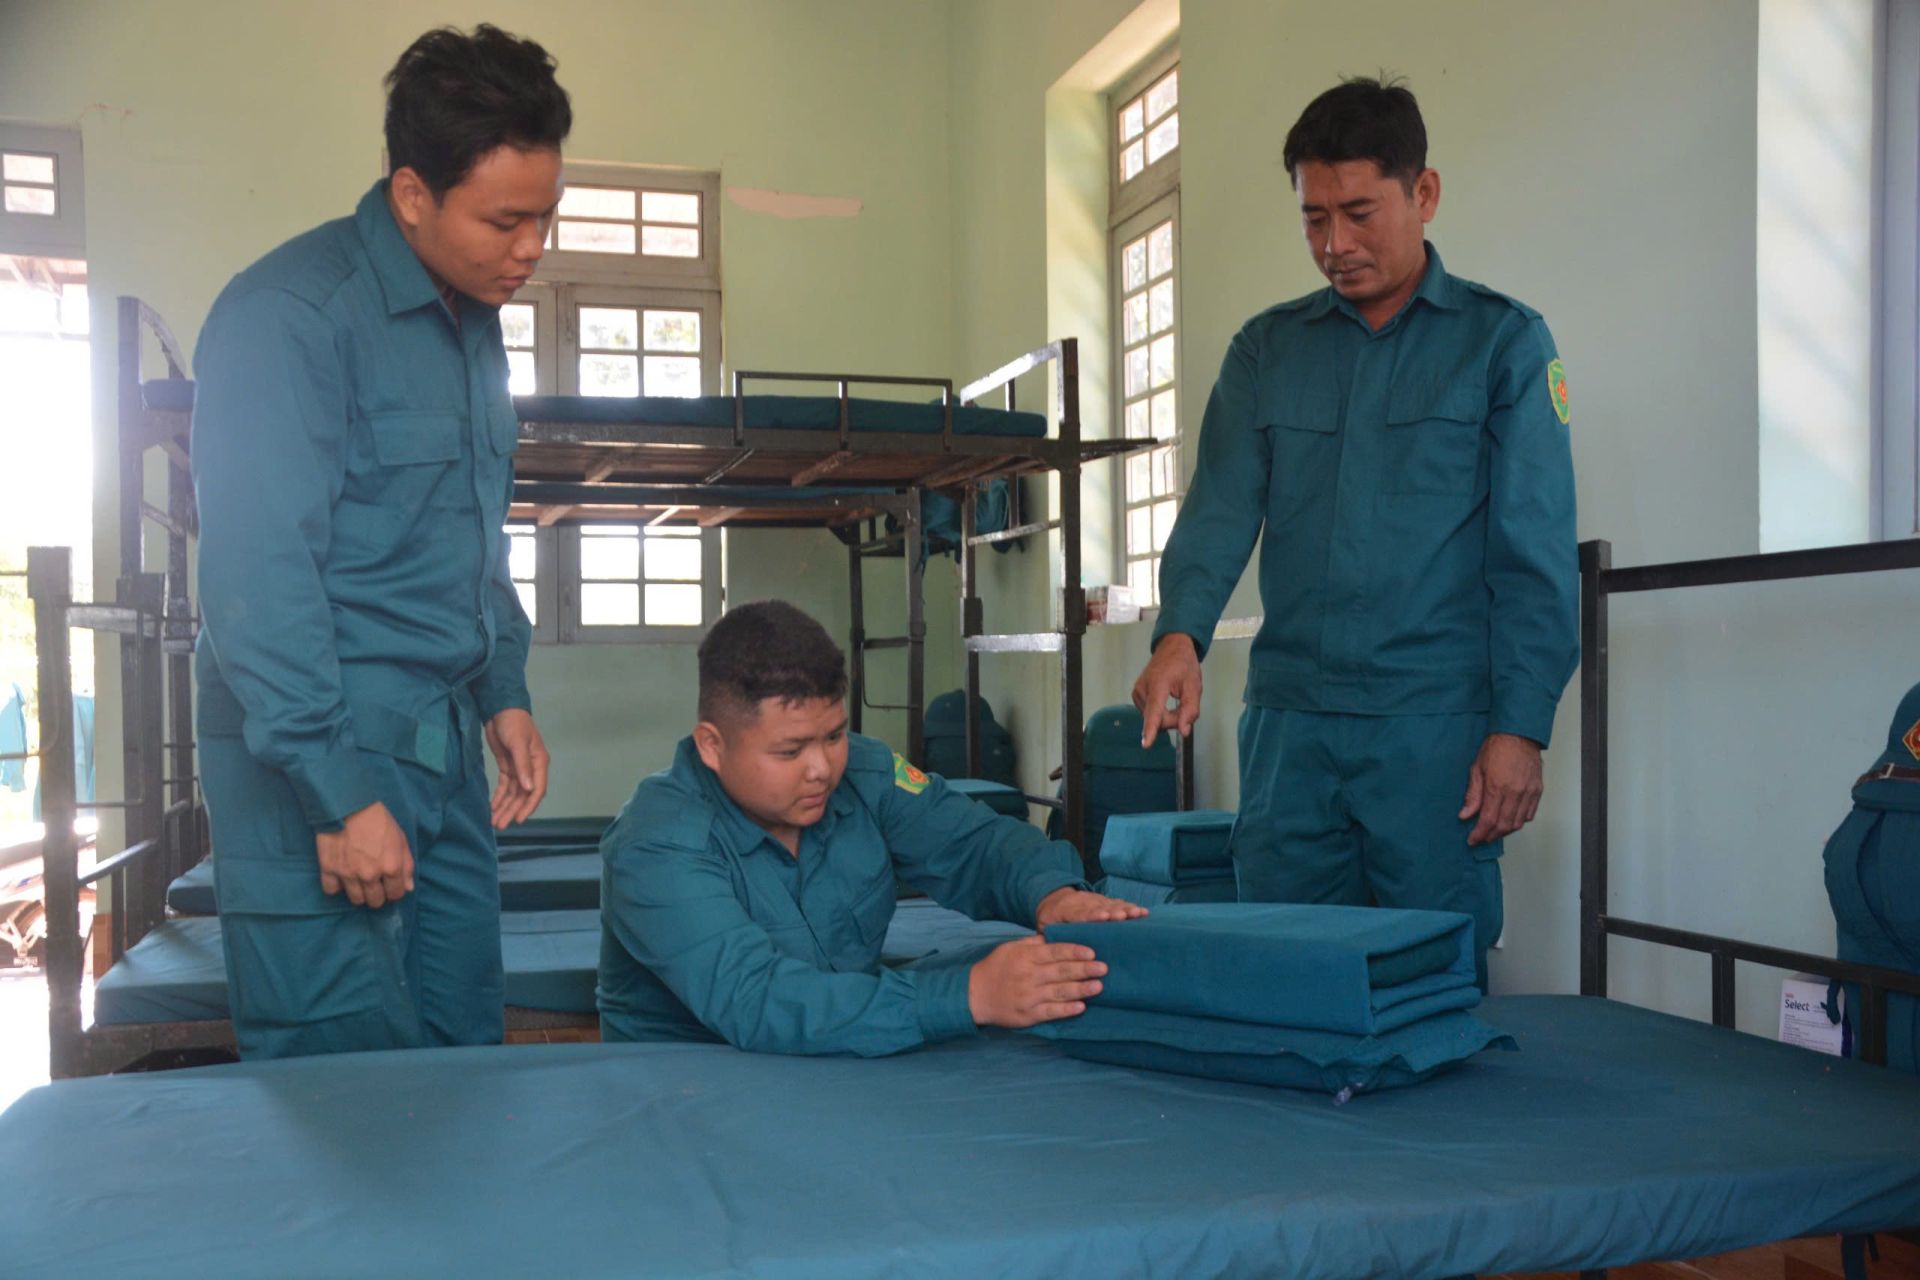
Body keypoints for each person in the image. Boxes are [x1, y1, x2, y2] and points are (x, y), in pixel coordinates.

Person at [1131, 77, 1577, 988]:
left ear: (1424, 193)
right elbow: (1218, 509)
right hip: (1292, 732)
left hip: (1435, 733)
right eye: (1314, 218)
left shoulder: (1503, 345)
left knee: (1430, 986)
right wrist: (1180, 635)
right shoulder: (1268, 351)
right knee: (1284, 979)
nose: (1335, 244)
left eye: (1359, 213)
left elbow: (1533, 554)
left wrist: (1521, 728)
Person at [191, 24, 566, 1059]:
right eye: (504, 220)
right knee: (346, 1090)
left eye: (546, 215)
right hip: (322, 746)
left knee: (463, 1056)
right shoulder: (289, 316)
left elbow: (469, 537)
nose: (531, 247)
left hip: (440, 743)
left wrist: (503, 689)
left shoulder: (472, 325)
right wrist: (336, 791)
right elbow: (256, 578)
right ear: (411, 194)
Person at [597, 600, 1145, 1054]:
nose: (821, 768)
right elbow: (755, 1001)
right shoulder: (656, 842)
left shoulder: (865, 774)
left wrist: (1052, 894)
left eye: (834, 736)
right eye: (790, 751)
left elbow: (973, 845)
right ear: (712, 746)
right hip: (688, 1089)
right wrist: (970, 995)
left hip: (844, 1065)